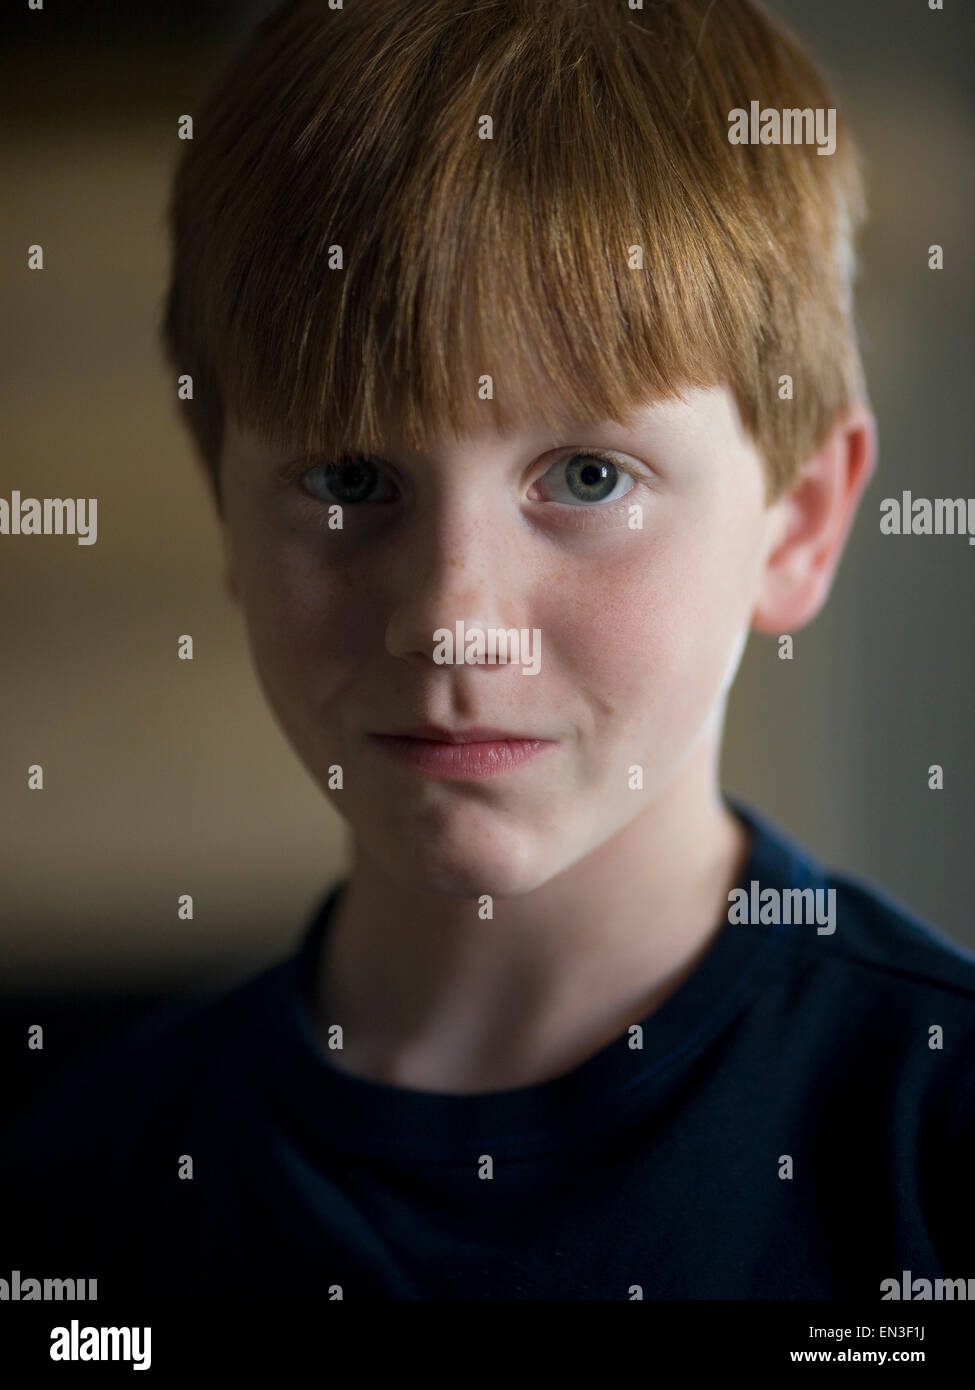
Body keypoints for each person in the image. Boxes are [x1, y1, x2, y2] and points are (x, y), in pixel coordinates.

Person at [3, 0, 973, 1302]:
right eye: (350, 475)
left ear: (796, 525)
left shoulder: (939, 1136)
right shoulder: (76, 1187)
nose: (452, 620)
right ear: (223, 507)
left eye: (585, 474)